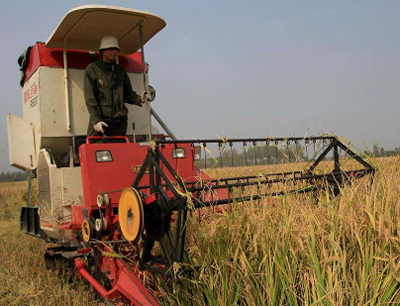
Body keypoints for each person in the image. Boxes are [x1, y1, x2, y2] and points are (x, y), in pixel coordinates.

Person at [84, 36, 151, 136]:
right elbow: (90, 97)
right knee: (94, 147)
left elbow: (128, 93)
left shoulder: (120, 71)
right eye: (111, 49)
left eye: (116, 49)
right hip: (101, 120)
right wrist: (96, 119)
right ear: (103, 51)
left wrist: (141, 98)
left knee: (120, 149)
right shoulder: (93, 69)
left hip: (119, 121)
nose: (114, 52)